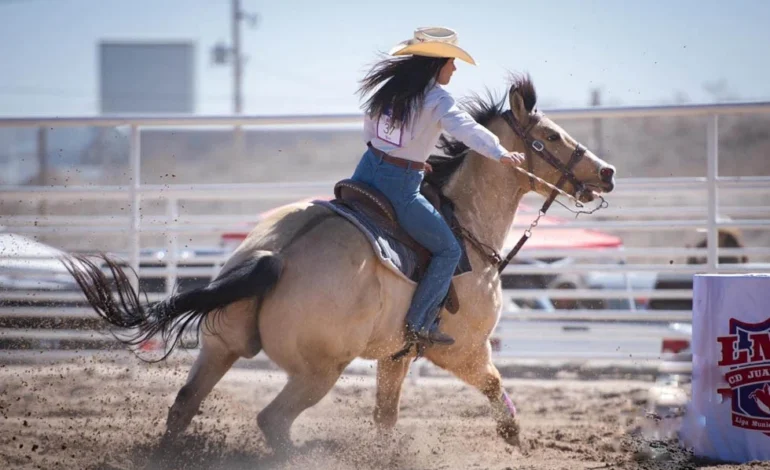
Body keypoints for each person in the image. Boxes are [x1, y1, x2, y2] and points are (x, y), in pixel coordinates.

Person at [352, 26, 525, 347]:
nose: (454, 68)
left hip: (364, 173)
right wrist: (500, 152)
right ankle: (418, 323)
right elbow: (466, 129)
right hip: (399, 188)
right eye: (450, 62)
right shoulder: (437, 99)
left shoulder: (392, 91)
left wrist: (408, 158)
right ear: (436, 65)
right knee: (448, 250)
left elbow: (372, 130)